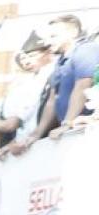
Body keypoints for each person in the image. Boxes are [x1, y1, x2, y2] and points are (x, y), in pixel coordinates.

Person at [6, 14, 98, 156]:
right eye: (48, 37)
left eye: (54, 36)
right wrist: (36, 134)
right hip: (71, 133)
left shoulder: (85, 50)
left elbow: (82, 87)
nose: (48, 42)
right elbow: (52, 100)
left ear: (72, 33)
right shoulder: (60, 61)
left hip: (85, 131)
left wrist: (67, 123)